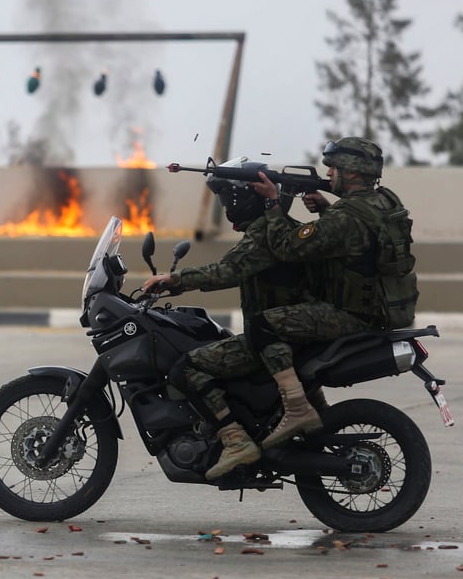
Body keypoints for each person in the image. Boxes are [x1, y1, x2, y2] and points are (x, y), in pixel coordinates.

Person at [231, 137, 418, 462]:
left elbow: (289, 248)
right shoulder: (386, 200)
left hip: (350, 313)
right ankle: (317, 417)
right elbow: (362, 239)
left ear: (352, 172)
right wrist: (327, 208)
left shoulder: (346, 215)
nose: (328, 172)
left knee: (263, 325)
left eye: (334, 167)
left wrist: (273, 204)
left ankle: (297, 408)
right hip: (383, 308)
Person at [140, 165, 313, 480]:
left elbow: (227, 270)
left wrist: (173, 280)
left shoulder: (264, 233)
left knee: (184, 368)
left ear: (247, 199)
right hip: (289, 334)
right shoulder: (280, 226)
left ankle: (235, 440)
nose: (228, 208)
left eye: (229, 200)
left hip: (275, 340)